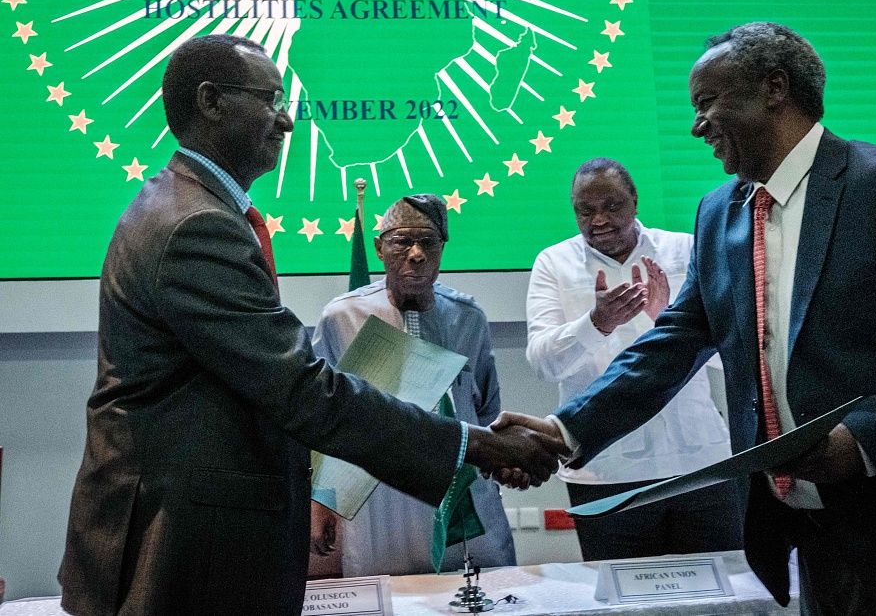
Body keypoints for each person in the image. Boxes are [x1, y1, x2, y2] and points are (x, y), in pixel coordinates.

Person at [494, 22, 876, 615]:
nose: (697, 126)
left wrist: (867, 440)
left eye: (707, 103)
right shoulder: (719, 213)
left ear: (774, 88)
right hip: (814, 536)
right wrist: (564, 431)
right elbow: (674, 343)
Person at [57, 34, 565, 616]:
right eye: (270, 99)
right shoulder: (194, 226)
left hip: (194, 541)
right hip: (179, 550)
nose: (287, 119)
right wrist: (476, 445)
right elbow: (301, 390)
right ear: (211, 101)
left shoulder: (186, 207)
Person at [525, 158, 742, 560]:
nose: (599, 220)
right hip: (603, 471)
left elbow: (735, 356)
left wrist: (669, 320)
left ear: (635, 201)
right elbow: (543, 364)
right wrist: (597, 323)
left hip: (700, 463)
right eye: (585, 211)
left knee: (722, 587)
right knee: (619, 590)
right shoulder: (553, 263)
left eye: (612, 206)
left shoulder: (685, 248)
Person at [308, 194, 515, 576]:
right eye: (402, 241)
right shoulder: (342, 317)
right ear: (379, 248)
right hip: (379, 499)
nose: (416, 254)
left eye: (428, 242)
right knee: (387, 594)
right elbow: (319, 418)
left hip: (457, 492)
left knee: (479, 589)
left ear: (442, 249)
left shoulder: (467, 317)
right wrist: (320, 500)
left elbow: (486, 409)